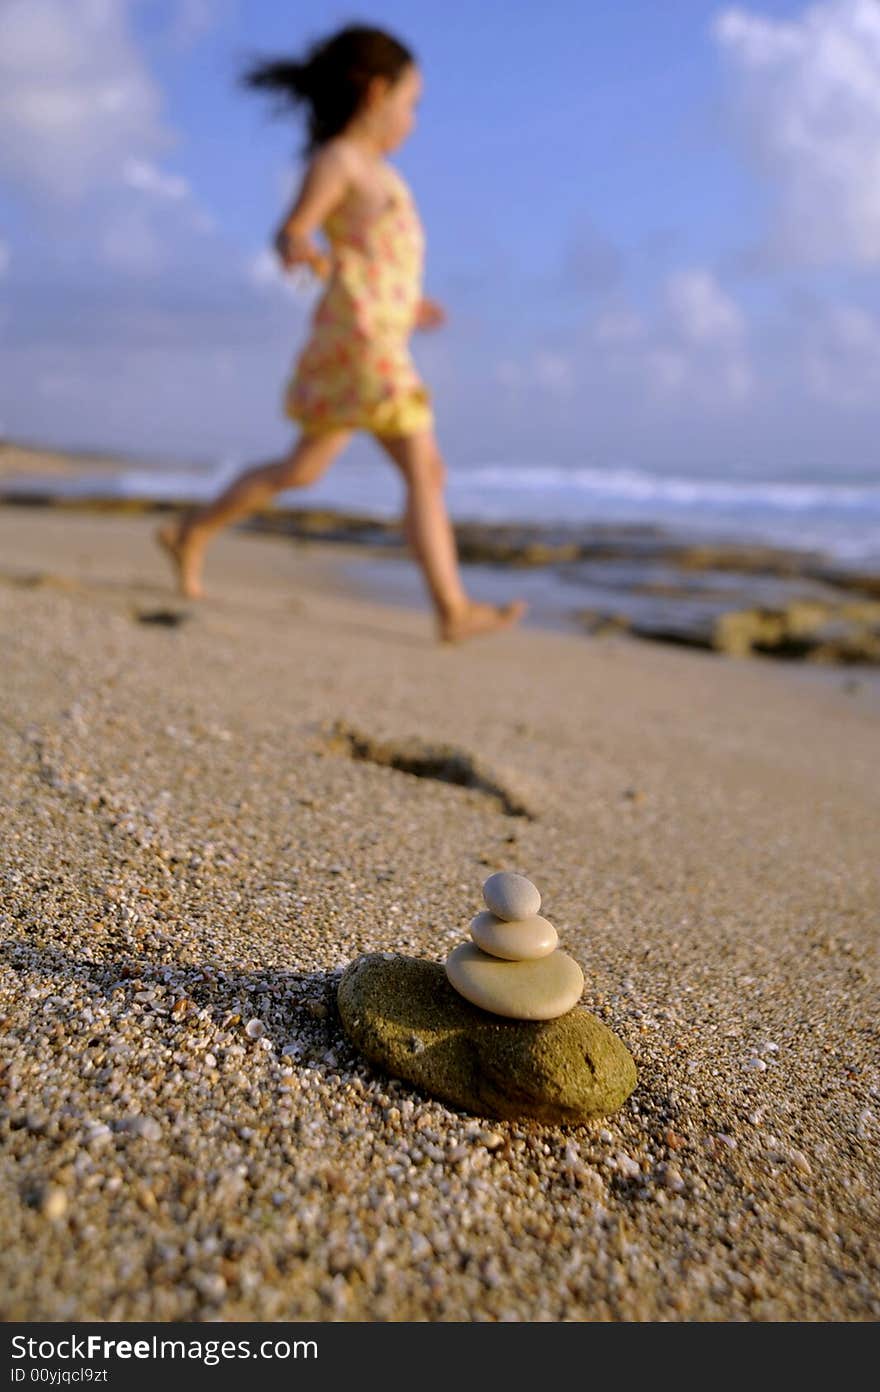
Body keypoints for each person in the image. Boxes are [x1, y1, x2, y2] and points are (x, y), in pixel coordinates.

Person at [157, 23, 527, 643]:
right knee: (424, 468)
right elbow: (293, 228)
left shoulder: (383, 175)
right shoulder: (340, 163)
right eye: (412, 103)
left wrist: (410, 304)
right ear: (376, 93)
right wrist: (299, 248)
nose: (414, 118)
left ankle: (193, 529)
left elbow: (378, 264)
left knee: (301, 471)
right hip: (361, 343)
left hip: (372, 333)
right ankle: (452, 609)